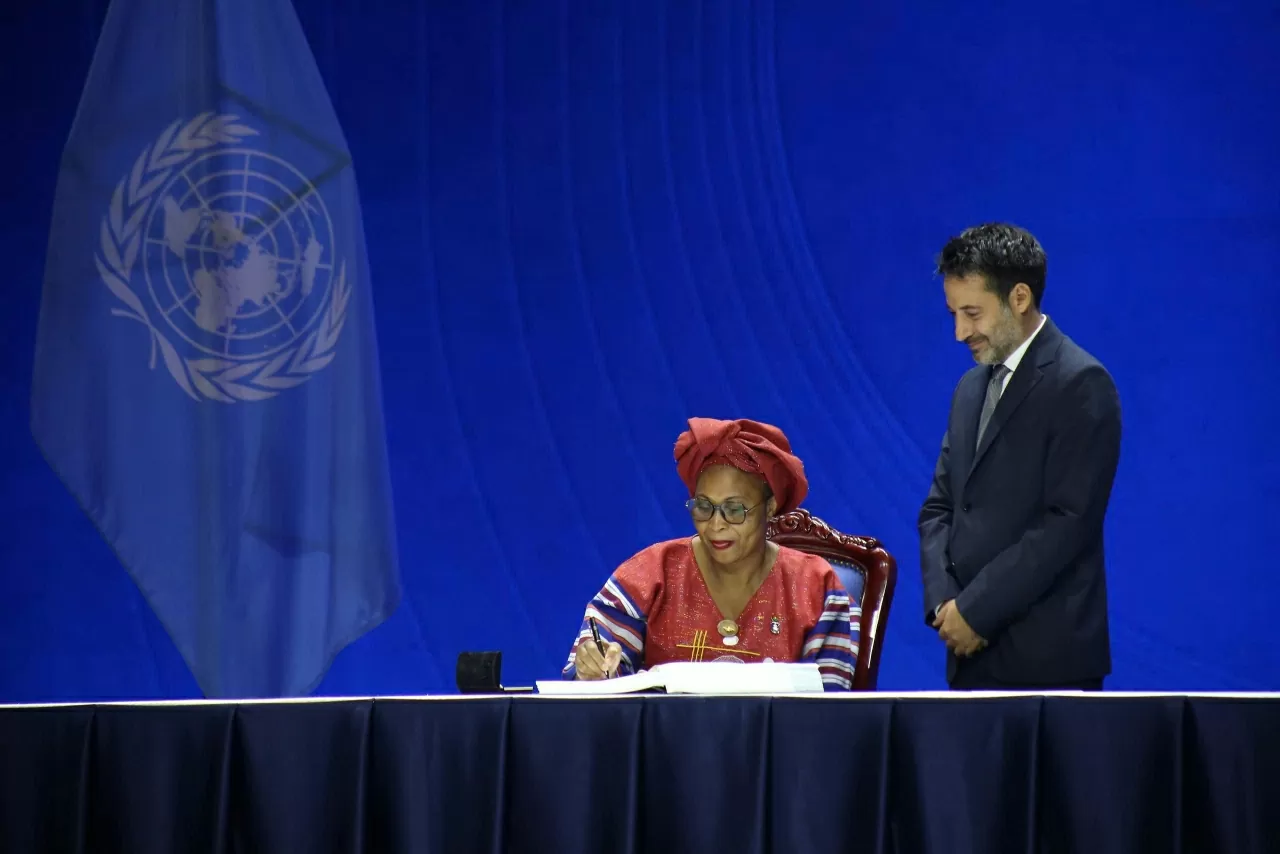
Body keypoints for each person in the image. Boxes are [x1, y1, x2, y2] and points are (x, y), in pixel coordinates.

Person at [919, 222, 1122, 691]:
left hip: (1048, 664)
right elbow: (940, 506)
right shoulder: (970, 388)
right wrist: (945, 608)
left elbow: (1068, 522)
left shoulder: (1080, 383)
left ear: (1020, 298)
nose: (959, 332)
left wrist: (976, 611)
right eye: (953, 313)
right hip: (967, 655)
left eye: (972, 313)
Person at [562, 417, 859, 691]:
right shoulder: (648, 576)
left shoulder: (817, 588)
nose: (716, 525)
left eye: (734, 510)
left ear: (769, 508)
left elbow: (828, 712)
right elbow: (596, 681)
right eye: (704, 507)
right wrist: (593, 669)